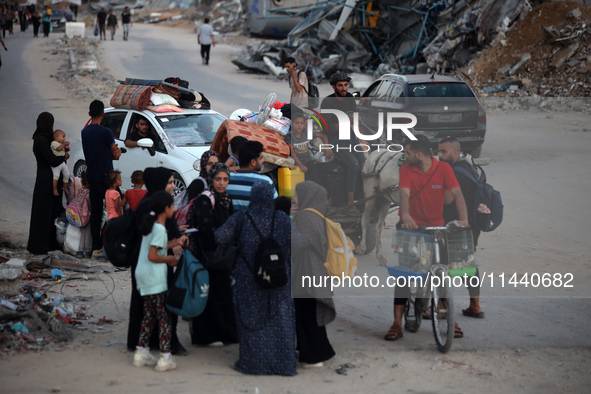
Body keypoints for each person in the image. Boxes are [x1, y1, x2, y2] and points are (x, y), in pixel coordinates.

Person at [384, 135, 468, 342]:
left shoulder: (444, 169)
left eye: (408, 152)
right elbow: (404, 195)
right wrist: (406, 217)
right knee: (404, 276)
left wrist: (464, 220)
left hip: (436, 227)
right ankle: (396, 323)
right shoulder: (406, 170)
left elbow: (457, 194)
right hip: (411, 226)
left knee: (443, 270)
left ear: (419, 154)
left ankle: (450, 319)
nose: (405, 156)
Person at [215, 181, 296, 376]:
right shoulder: (283, 219)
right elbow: (298, 243)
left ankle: (253, 363)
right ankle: (283, 364)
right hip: (278, 276)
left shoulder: (241, 219)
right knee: (280, 319)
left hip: (248, 278)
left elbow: (219, 237)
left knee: (250, 317)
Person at [127, 167, 188, 356]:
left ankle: (144, 346)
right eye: (169, 182)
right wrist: (172, 250)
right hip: (153, 265)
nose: (172, 186)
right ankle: (165, 350)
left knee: (150, 311)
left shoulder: (156, 204)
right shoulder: (152, 206)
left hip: (150, 265)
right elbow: (154, 240)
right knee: (161, 312)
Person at [187, 163, 238, 346]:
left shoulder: (226, 198)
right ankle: (206, 337)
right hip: (207, 256)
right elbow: (205, 230)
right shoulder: (205, 199)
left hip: (221, 258)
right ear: (211, 179)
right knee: (209, 296)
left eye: (225, 179)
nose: (222, 183)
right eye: (218, 179)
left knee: (222, 295)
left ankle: (224, 334)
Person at [438, 137, 485, 318]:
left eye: (444, 151)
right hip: (471, 224)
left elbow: (448, 199)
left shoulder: (455, 173)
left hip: (456, 225)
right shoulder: (468, 167)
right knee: (467, 265)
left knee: (441, 263)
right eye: (439, 151)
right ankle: (475, 306)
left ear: (455, 153)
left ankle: (442, 308)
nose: (440, 155)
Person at [133, 191, 179, 372]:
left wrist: (174, 242)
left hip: (143, 275)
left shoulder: (152, 225)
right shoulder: (160, 228)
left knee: (149, 315)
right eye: (173, 206)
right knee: (164, 318)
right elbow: (153, 255)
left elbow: (156, 246)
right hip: (154, 277)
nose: (174, 209)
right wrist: (169, 260)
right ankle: (165, 358)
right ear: (166, 209)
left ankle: (141, 352)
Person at [291, 181, 336, 367]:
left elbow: (296, 244)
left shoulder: (305, 217)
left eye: (297, 195)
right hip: (315, 272)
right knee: (310, 315)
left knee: (307, 315)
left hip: (306, 272)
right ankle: (312, 351)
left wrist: (289, 221)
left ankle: (315, 355)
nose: (294, 198)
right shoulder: (317, 215)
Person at [320, 71, 366, 215]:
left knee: (364, 165)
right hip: (336, 140)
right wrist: (348, 121)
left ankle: (363, 199)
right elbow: (328, 127)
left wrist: (357, 120)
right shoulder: (327, 102)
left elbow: (355, 116)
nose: (344, 88)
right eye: (340, 85)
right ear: (333, 87)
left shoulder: (350, 99)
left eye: (346, 85)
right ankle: (350, 203)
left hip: (352, 138)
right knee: (353, 165)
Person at [80, 100, 121, 259]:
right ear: (103, 113)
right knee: (114, 210)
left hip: (92, 176)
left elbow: (91, 152)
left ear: (89, 114)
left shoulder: (85, 132)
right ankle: (112, 245)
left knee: (96, 214)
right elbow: (114, 152)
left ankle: (95, 247)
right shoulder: (106, 132)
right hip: (107, 178)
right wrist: (116, 153)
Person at [27, 112, 69, 255]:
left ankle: (51, 243)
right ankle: (40, 245)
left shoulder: (45, 139)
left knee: (52, 212)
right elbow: (52, 160)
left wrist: (63, 156)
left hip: (49, 179)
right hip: (47, 181)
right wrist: (63, 157)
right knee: (44, 212)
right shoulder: (41, 142)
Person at [285, 110, 333, 187]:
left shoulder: (307, 133)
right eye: (296, 123)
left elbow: (324, 136)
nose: (299, 126)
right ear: (292, 124)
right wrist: (300, 165)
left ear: (305, 124)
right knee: (306, 183)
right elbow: (292, 152)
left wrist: (327, 149)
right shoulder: (290, 136)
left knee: (317, 180)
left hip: (308, 161)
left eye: (301, 123)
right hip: (297, 164)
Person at [226, 141, 277, 211]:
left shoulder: (225, 179)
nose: (263, 161)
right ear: (253, 162)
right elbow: (275, 207)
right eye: (261, 158)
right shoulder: (265, 181)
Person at [49, 130, 70, 196]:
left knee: (67, 174)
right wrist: (63, 144)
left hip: (62, 162)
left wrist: (67, 147)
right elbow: (58, 149)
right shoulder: (54, 143)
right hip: (56, 164)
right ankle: (54, 189)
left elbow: (66, 150)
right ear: (57, 137)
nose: (64, 138)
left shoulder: (62, 144)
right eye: (63, 136)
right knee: (56, 176)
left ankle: (64, 187)